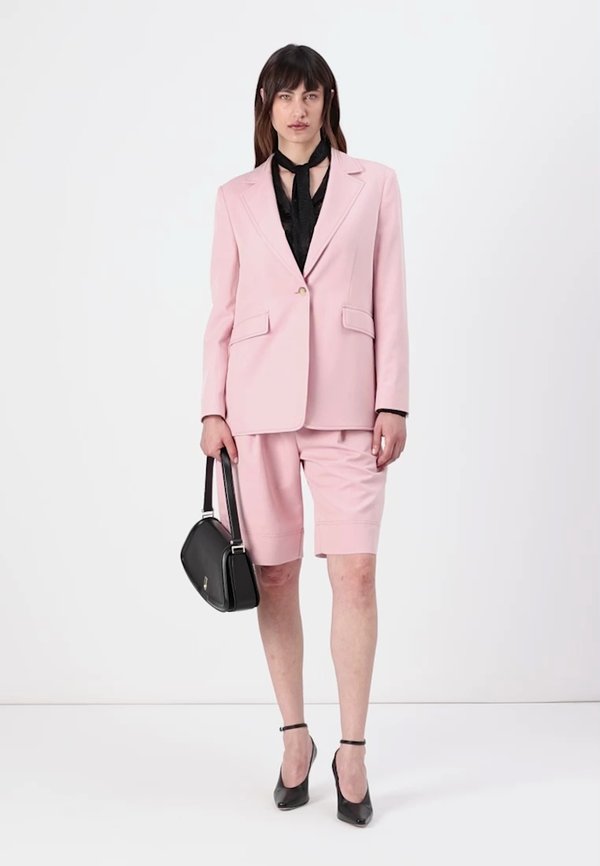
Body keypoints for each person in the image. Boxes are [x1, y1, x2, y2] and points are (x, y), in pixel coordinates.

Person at [199, 43, 409, 827]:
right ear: (267, 107)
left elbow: (390, 293)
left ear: (328, 102)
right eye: (284, 94)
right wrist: (211, 409)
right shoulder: (234, 198)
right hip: (255, 409)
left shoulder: (374, 184)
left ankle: (352, 749)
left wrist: (394, 400)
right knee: (276, 576)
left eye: (310, 93)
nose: (298, 108)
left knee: (355, 573)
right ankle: (296, 737)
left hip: (350, 404)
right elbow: (221, 311)